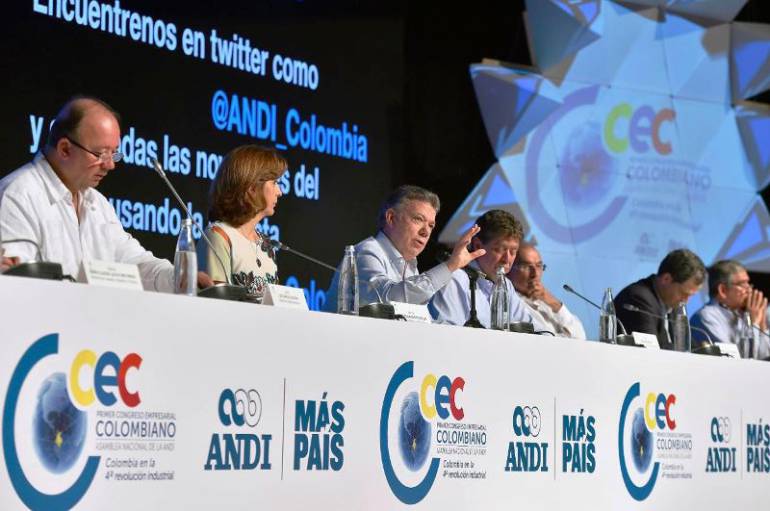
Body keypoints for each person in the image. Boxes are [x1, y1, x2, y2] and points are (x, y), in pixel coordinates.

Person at [0, 96, 211, 291]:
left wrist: (178, 278)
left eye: (114, 153)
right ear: (65, 149)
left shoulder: (97, 204)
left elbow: (133, 262)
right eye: (101, 154)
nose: (110, 165)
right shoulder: (18, 195)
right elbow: (15, 282)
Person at [324, 185, 484, 309]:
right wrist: (450, 265)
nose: (426, 232)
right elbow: (389, 299)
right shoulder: (366, 252)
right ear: (391, 218)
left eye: (431, 225)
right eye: (418, 219)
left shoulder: (410, 266)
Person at [429, 209, 538, 329]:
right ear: (478, 246)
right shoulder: (455, 279)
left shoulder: (506, 285)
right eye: (500, 249)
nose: (507, 259)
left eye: (513, 251)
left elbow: (535, 328)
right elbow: (448, 332)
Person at [205, 145, 286, 299]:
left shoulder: (267, 245)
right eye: (274, 183)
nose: (279, 192)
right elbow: (216, 303)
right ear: (252, 187)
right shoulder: (218, 236)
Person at [614, 248, 705, 349]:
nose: (686, 300)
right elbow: (651, 350)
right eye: (684, 293)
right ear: (666, 279)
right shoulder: (638, 299)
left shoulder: (673, 303)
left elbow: (688, 345)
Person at [690, 260, 770, 359]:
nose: (749, 290)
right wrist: (753, 323)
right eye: (742, 284)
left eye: (748, 283)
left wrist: (762, 324)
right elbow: (735, 358)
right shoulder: (706, 317)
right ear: (722, 290)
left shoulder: (741, 314)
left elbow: (764, 358)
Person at [507, 243, 586, 339]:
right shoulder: (509, 302)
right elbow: (544, 340)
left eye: (539, 266)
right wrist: (568, 336)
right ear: (509, 268)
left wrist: (554, 303)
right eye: (527, 266)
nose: (535, 274)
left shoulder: (545, 301)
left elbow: (580, 337)